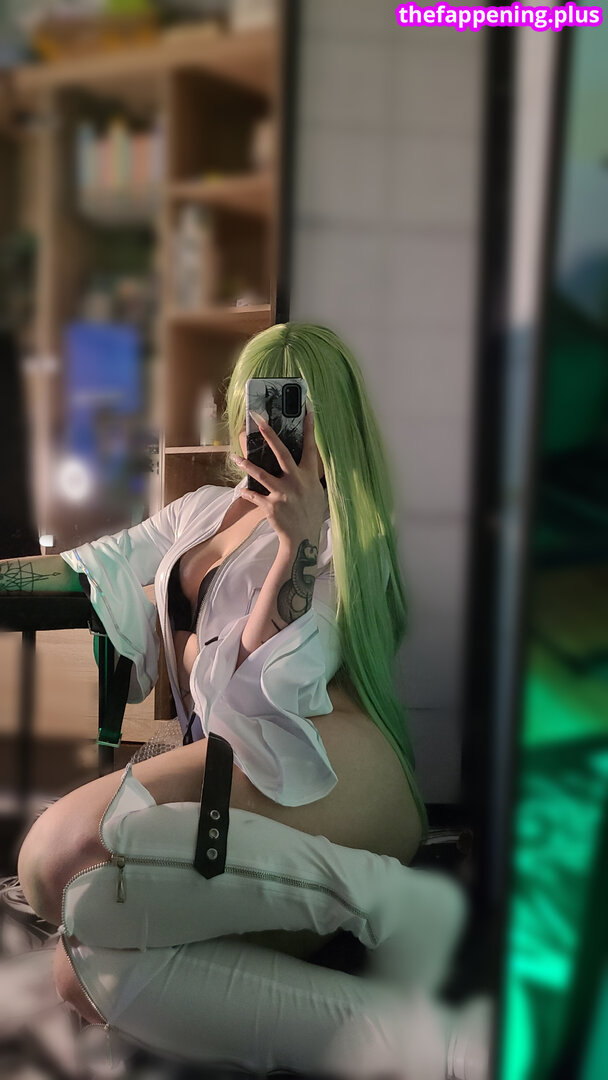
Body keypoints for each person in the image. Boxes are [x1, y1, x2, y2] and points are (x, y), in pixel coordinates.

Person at [11, 324, 490, 1079]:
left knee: (56, 856)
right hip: (246, 760)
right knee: (81, 969)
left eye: (286, 406)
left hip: (332, 772)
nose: (258, 427)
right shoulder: (202, 510)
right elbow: (93, 565)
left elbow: (273, 684)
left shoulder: (350, 533)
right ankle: (420, 1041)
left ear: (325, 421)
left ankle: (390, 902)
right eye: (253, 403)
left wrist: (297, 542)